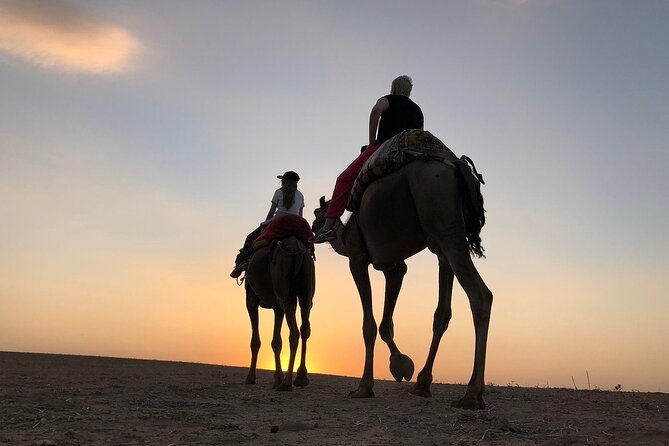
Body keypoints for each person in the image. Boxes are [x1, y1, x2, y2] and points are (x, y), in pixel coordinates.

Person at [312, 75, 424, 243]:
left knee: (343, 179)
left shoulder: (388, 99)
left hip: (385, 146)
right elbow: (420, 135)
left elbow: (375, 111)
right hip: (409, 151)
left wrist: (372, 143)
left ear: (393, 88)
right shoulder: (418, 110)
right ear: (409, 92)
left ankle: (328, 228)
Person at [230, 171, 304, 278]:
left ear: (284, 181)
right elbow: (300, 216)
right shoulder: (301, 196)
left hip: (278, 222)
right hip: (295, 224)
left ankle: (242, 262)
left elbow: (271, 211)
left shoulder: (278, 192)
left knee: (250, 238)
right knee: (307, 244)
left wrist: (265, 226)